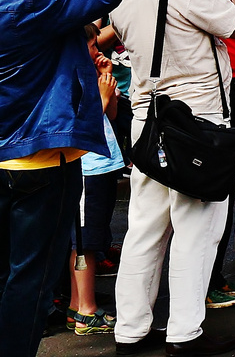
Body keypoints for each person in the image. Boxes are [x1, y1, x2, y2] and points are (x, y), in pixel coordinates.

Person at [110, 0, 235, 357]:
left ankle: (131, 329)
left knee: (144, 228)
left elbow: (150, 29)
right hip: (195, 121)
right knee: (196, 229)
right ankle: (185, 332)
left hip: (147, 120)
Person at [0, 0, 126, 357]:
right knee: (32, 277)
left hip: (11, 152)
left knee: (7, 273)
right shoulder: (24, 2)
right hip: (38, 156)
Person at [179, 0, 235, 310]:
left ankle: (215, 274)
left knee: (226, 184)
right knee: (209, 188)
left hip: (234, 82)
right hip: (209, 92)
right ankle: (203, 285)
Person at [65, 27, 124, 336]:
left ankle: (77, 305)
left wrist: (108, 87)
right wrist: (101, 97)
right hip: (86, 166)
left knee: (92, 238)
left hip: (103, 164)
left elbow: (110, 115)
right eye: (92, 45)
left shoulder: (89, 75)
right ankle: (86, 310)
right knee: (83, 242)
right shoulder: (70, 80)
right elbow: (80, 128)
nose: (98, 49)